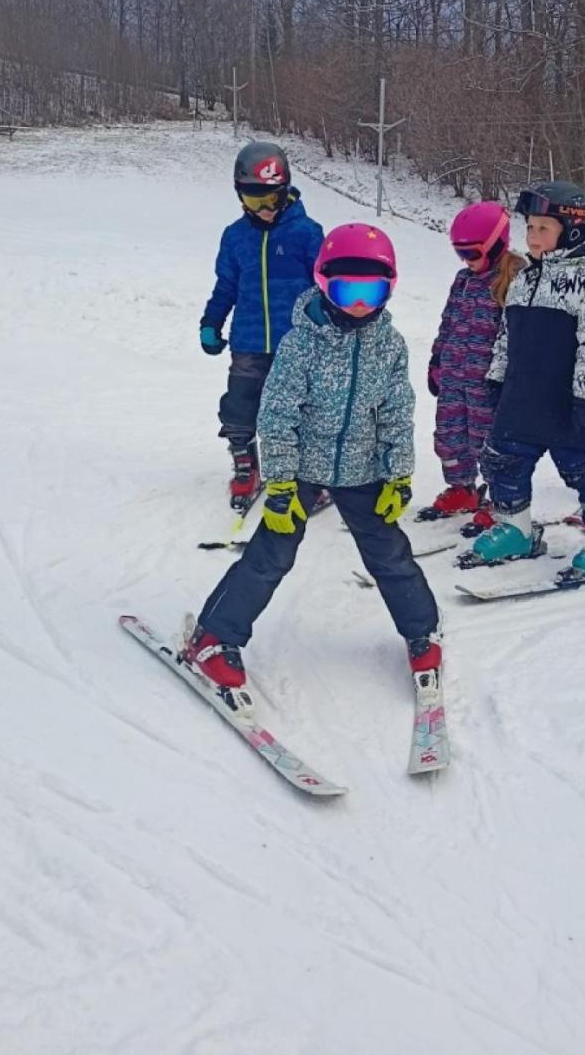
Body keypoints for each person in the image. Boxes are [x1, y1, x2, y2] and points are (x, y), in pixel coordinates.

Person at [181, 223, 442, 709]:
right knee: (271, 555)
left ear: (389, 289)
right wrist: (280, 483)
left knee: (389, 555)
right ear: (323, 285)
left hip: (363, 469)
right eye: (346, 291)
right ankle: (213, 636)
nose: (358, 304)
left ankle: (423, 632)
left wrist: (399, 473)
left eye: (371, 292)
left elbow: (396, 411)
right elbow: (277, 415)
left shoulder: (390, 345)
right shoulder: (301, 343)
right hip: (301, 468)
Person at [469, 180, 585, 578]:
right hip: (522, 397)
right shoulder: (524, 280)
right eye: (530, 227)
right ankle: (516, 527)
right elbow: (507, 335)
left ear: (572, 229)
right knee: (501, 460)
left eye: (543, 228)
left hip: (571, 400)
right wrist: (497, 378)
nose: (533, 236)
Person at [199, 142, 324, 508]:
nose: (264, 209)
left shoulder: (307, 233)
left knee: (302, 410)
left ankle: (307, 474)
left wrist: (328, 324)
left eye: (271, 199)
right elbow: (226, 285)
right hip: (249, 340)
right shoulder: (235, 236)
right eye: (254, 201)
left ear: (285, 191)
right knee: (240, 405)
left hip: (298, 343)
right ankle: (246, 466)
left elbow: (326, 286)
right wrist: (211, 322)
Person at [419, 201, 526, 519]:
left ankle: (500, 497)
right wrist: (437, 359)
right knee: (449, 436)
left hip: (487, 382)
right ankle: (461, 489)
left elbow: (518, 338)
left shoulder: (515, 280)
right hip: (453, 376)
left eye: (472, 253)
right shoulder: (463, 280)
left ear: (496, 245)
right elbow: (448, 321)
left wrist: (510, 380)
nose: (466, 260)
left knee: (486, 441)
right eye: (460, 253)